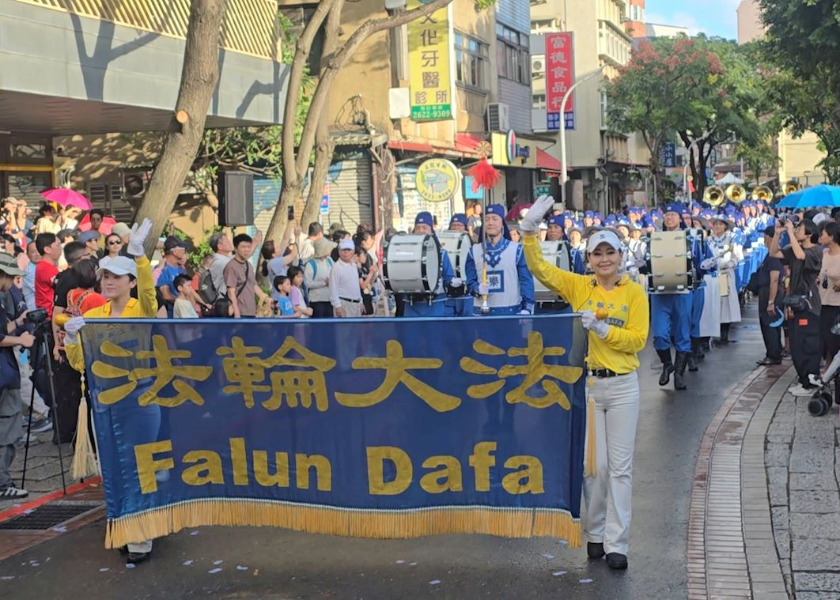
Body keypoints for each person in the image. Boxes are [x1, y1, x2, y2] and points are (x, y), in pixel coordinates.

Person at [520, 196, 649, 571]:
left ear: (620, 256)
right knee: (596, 468)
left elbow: (638, 340)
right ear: (588, 259)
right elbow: (540, 270)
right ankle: (594, 534)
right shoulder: (580, 287)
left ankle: (617, 542)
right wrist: (529, 232)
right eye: (597, 254)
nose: (604, 260)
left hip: (624, 387)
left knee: (621, 468)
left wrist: (604, 329)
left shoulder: (634, 292)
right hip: (591, 388)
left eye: (610, 253)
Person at [64, 220, 157, 564]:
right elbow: (80, 365)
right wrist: (73, 339)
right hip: (103, 405)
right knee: (114, 470)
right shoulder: (96, 314)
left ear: (130, 282)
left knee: (138, 467)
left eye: (116, 276)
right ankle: (123, 528)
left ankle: (142, 536)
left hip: (140, 401)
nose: (108, 282)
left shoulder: (142, 311)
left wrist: (140, 256)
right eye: (105, 276)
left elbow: (149, 294)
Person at [771, 219, 822, 396]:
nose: (796, 230)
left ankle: (811, 381)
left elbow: (801, 256)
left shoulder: (816, 251)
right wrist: (778, 233)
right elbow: (774, 253)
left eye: (800, 228)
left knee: (808, 343)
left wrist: (791, 233)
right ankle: (803, 379)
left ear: (809, 234)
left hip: (809, 305)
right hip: (794, 303)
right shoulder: (794, 248)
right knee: (797, 344)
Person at [0, 253, 36, 499]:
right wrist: (21, 339)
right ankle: (2, 484)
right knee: (8, 430)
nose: (13, 282)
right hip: (4, 375)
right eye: (11, 277)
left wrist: (20, 322)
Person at [650, 204, 693, 390]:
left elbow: (698, 260)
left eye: (673, 214)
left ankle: (680, 374)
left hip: (682, 291)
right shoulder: (653, 238)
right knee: (659, 334)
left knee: (683, 333)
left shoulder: (690, 238)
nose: (669, 218)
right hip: (660, 293)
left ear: (680, 218)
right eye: (666, 214)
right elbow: (647, 261)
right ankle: (667, 364)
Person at [465, 204, 534, 315]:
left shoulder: (517, 250)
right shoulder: (474, 251)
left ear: (502, 224)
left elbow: (526, 281)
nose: (490, 223)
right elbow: (469, 282)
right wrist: (477, 289)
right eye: (487, 219)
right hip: (481, 314)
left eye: (495, 219)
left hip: (510, 313)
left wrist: (527, 308)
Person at [705, 216, 743, 344]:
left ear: (725, 226)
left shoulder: (731, 239)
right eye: (715, 224)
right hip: (713, 274)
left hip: (726, 275)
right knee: (713, 303)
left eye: (720, 224)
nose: (717, 227)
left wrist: (731, 263)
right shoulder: (708, 240)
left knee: (726, 305)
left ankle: (724, 334)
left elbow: (737, 255)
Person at [755, 226, 784, 366]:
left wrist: (771, 301)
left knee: (770, 325)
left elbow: (774, 280)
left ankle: (773, 355)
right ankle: (773, 353)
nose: (764, 239)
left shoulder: (774, 257)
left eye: (766, 236)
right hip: (765, 292)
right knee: (769, 325)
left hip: (770, 293)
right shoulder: (770, 255)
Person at [224, 234, 268, 319]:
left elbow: (254, 286)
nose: (247, 250)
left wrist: (266, 299)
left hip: (251, 312)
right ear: (236, 249)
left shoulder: (249, 265)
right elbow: (231, 292)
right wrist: (237, 314)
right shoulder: (231, 266)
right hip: (240, 313)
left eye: (249, 247)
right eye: (243, 247)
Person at [818, 221, 840, 362]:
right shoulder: (823, 254)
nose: (820, 237)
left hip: (837, 306)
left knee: (835, 343)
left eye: (823, 234)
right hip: (822, 303)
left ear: (831, 237)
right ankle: (827, 373)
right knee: (824, 343)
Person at [329, 238, 363, 317]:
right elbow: (333, 288)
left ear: (353, 251)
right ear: (339, 251)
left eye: (348, 249)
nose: (346, 252)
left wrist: (360, 301)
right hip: (343, 303)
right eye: (343, 250)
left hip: (356, 303)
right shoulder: (336, 268)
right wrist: (337, 305)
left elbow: (356, 286)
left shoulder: (354, 266)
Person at [155, 236, 188, 317]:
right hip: (170, 314)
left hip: (182, 311)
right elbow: (165, 295)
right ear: (174, 251)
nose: (184, 251)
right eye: (182, 248)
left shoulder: (181, 269)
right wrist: (182, 302)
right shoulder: (163, 268)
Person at [304, 237, 335, 319]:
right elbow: (308, 283)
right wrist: (324, 283)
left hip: (329, 299)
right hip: (317, 300)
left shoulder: (330, 260)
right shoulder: (311, 264)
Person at [34, 233, 62, 317]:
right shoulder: (46, 268)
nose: (61, 248)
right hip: (50, 316)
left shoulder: (44, 267)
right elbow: (63, 287)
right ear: (47, 249)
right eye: (58, 245)